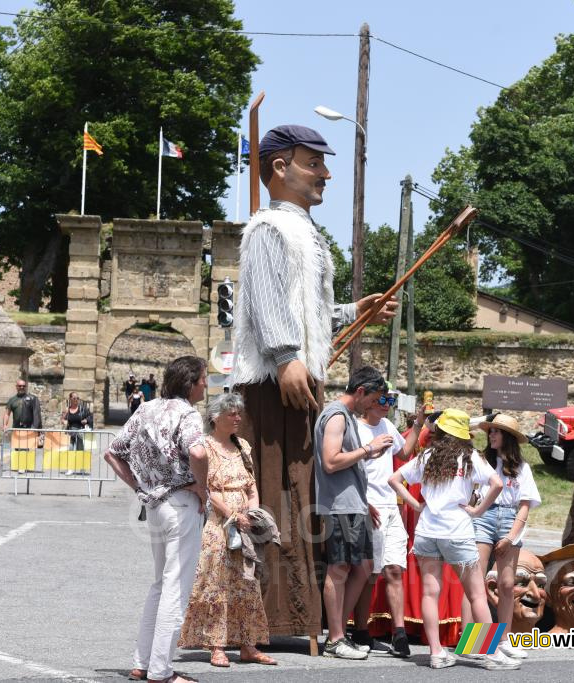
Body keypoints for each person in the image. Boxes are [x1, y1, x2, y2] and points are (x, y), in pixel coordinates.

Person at [229, 124, 397, 638]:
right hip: (274, 384)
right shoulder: (266, 229)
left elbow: (308, 314)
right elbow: (265, 301)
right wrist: (284, 358)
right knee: (276, 495)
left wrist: (352, 311)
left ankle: (296, 616)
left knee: (300, 496)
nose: (325, 173)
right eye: (313, 163)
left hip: (300, 378)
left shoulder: (305, 234)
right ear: (280, 167)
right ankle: (261, 617)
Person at [103, 356, 209, 683]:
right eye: (204, 378)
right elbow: (199, 452)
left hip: (155, 506)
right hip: (181, 504)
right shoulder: (188, 414)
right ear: (191, 383)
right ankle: (161, 671)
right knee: (175, 588)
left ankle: (143, 661)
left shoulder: (147, 409)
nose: (207, 384)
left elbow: (112, 452)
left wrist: (140, 486)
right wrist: (203, 488)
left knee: (160, 584)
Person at [388, 409, 514, 671]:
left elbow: (395, 479)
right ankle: (490, 654)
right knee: (477, 593)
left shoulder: (428, 456)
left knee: (430, 593)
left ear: (441, 432)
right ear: (463, 434)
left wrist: (416, 505)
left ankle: (436, 653)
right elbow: (497, 484)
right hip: (457, 531)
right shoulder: (469, 457)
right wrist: (478, 511)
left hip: (427, 532)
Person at [179, 392, 275, 667]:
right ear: (215, 417)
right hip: (218, 524)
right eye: (231, 413)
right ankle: (217, 645)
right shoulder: (205, 447)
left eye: (238, 413)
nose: (237, 417)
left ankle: (248, 645)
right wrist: (233, 515)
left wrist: (252, 512)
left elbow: (251, 484)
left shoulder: (243, 445)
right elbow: (207, 488)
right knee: (217, 583)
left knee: (247, 583)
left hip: (245, 521)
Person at [314, 366, 391, 660]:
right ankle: (335, 639)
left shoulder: (344, 416)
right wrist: (368, 449)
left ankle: (339, 633)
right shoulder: (335, 415)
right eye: (372, 399)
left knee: (362, 567)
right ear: (360, 392)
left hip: (354, 504)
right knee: (340, 568)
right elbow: (331, 461)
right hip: (340, 506)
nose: (373, 406)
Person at [350, 386, 423, 658]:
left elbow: (404, 453)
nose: (387, 404)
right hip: (372, 507)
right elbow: (348, 469)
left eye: (390, 400)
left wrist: (417, 424)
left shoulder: (388, 424)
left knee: (394, 569)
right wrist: (361, 503)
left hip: (391, 507)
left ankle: (399, 633)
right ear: (368, 401)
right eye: (382, 399)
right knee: (369, 573)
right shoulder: (356, 429)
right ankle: (359, 630)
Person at [463, 413, 541, 661]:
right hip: (483, 516)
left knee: (507, 584)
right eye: (490, 431)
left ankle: (503, 639)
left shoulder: (522, 467)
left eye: (496, 431)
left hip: (510, 519)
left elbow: (525, 506)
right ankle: (472, 640)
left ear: (508, 437)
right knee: (475, 579)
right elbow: (467, 428)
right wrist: (484, 421)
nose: (491, 435)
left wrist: (511, 536)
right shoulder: (481, 460)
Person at [483, 549, 547, 634]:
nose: (536, 595)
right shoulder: (478, 641)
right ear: (493, 590)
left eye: (540, 585)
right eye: (521, 583)